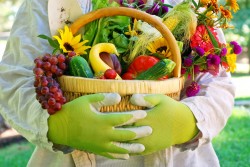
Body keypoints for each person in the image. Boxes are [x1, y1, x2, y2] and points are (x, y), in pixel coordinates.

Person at [0, 0, 235, 167]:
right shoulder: (45, 3)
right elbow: (13, 80)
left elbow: (217, 84)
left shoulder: (189, 5)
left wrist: (186, 121)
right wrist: (60, 126)